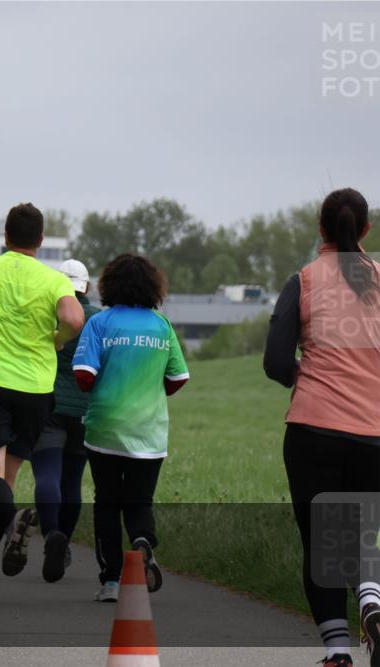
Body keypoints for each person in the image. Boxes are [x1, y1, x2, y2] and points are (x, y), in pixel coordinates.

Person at [263, 187, 379, 667]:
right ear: (366, 229)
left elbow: (274, 360)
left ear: (321, 230)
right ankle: (372, 597)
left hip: (314, 430)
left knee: (323, 542)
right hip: (374, 433)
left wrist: (302, 376)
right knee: (362, 532)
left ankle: (338, 653)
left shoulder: (304, 281)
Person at [0, 203, 84, 601]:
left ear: (6, 237)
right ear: (41, 240)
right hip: (36, 390)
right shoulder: (52, 279)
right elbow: (74, 318)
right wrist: (60, 337)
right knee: (7, 481)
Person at [72, 253, 188, 603]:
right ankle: (142, 541)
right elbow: (178, 378)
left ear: (109, 285)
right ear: (152, 287)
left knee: (107, 502)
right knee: (139, 500)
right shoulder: (161, 325)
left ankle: (110, 580)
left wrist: (105, 382)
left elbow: (83, 376)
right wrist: (152, 388)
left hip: (104, 428)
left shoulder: (100, 323)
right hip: (149, 432)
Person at [7, 258, 101, 575]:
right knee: (72, 480)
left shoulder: (48, 314)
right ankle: (63, 546)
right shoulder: (98, 320)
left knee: (47, 474)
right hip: (85, 411)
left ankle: (51, 535)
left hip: (49, 407)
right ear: (86, 287)